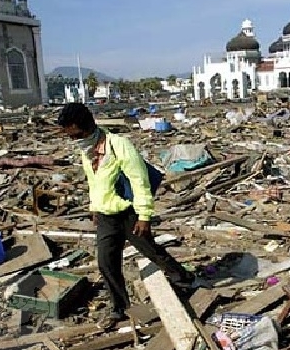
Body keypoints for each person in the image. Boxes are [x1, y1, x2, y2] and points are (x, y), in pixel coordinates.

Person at [57, 103, 196, 329]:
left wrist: (144, 215)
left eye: (77, 135)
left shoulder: (119, 146)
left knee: (150, 250)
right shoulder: (87, 151)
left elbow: (139, 181)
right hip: (105, 216)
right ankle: (118, 307)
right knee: (106, 263)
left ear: (89, 126)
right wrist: (94, 207)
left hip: (129, 214)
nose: (75, 140)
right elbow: (94, 182)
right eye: (71, 137)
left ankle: (183, 278)